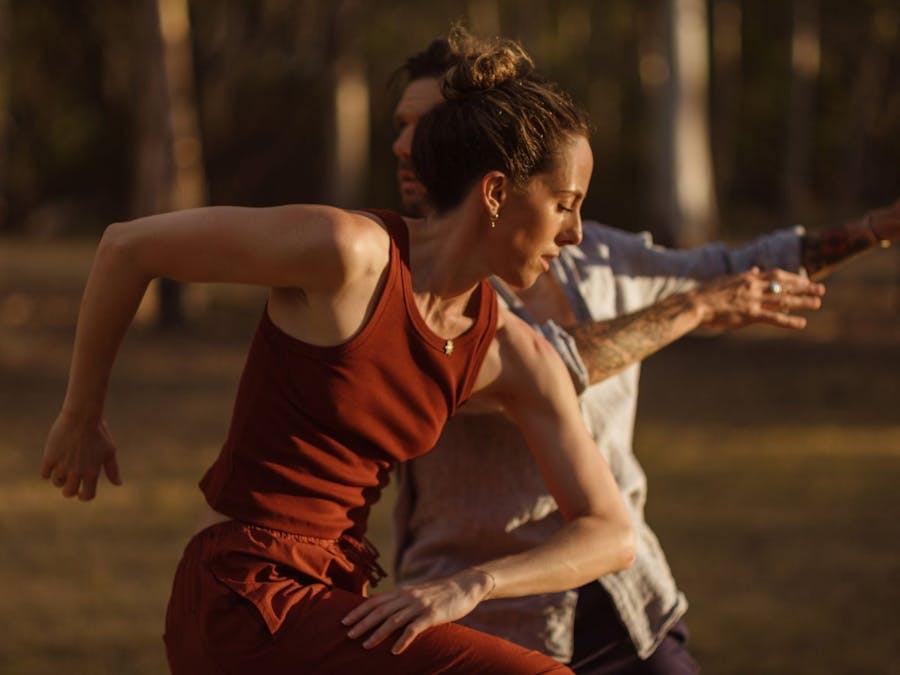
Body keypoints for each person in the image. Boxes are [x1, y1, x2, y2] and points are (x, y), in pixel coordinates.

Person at [39, 30, 637, 674]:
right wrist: (81, 415)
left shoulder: (509, 351)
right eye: (564, 205)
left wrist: (474, 583)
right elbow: (126, 248)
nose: (576, 234)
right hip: (244, 595)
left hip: (340, 604)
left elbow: (610, 531)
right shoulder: (349, 254)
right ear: (495, 193)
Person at [390, 37, 900, 674]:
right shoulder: (412, 282)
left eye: (423, 124)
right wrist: (692, 309)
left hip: (625, 600)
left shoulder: (596, 253)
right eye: (400, 125)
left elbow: (727, 268)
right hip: (477, 612)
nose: (403, 146)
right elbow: (540, 369)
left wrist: (876, 229)